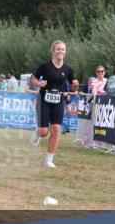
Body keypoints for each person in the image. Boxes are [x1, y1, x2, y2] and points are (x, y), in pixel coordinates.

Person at [31, 40, 79, 168]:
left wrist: (75, 85)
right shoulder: (45, 66)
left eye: (63, 49)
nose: (61, 51)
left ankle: (49, 160)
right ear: (53, 51)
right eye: (58, 49)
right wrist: (38, 84)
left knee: (56, 129)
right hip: (43, 99)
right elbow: (33, 79)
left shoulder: (68, 68)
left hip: (58, 100)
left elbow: (74, 84)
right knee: (44, 132)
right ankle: (38, 133)